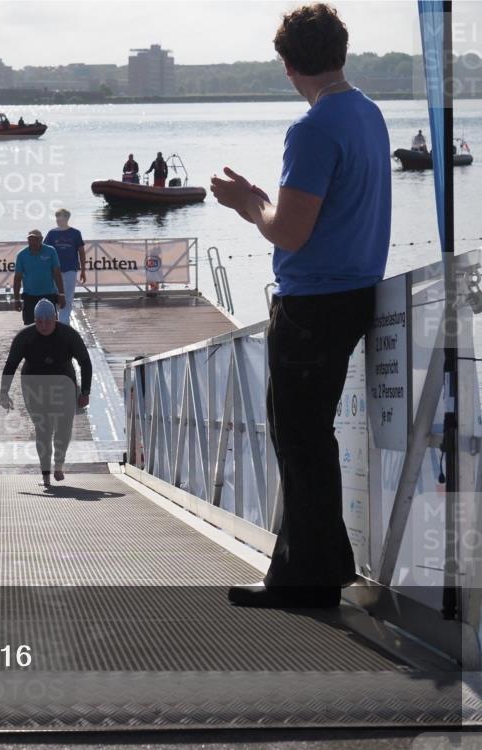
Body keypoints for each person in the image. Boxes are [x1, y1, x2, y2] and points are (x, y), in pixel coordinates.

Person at [209, 3, 390, 609]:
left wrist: (249, 202)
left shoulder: (312, 129)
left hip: (313, 304)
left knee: (300, 439)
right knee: (313, 437)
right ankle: (323, 564)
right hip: (357, 291)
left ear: (288, 66)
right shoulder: (369, 113)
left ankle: (303, 581)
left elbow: (288, 232)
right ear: (341, 51)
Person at [0, 299, 92, 487]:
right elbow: (11, 364)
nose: (43, 326)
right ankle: (45, 473)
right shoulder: (25, 337)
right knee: (43, 428)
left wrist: (85, 392)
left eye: (47, 321)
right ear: (34, 320)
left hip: (63, 380)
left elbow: (85, 363)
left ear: (55, 318)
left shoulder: (68, 335)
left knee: (64, 425)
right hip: (34, 382)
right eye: (39, 321)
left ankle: (58, 465)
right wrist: (3, 392)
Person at [13, 229, 66, 325]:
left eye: (36, 239)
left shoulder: (51, 251)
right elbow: (17, 278)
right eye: (30, 239)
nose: (33, 242)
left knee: (51, 324)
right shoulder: (21, 255)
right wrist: (16, 299)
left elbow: (57, 274)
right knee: (29, 326)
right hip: (30, 296)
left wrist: (62, 294)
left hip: (48, 295)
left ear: (41, 239)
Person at [43, 208, 86, 325]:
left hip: (70, 269)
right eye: (56, 217)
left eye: (60, 217)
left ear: (66, 218)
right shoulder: (52, 233)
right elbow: (45, 251)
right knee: (56, 296)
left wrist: (83, 270)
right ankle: (57, 321)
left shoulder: (75, 233)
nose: (58, 220)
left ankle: (64, 323)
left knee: (68, 297)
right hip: (55, 271)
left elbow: (81, 252)